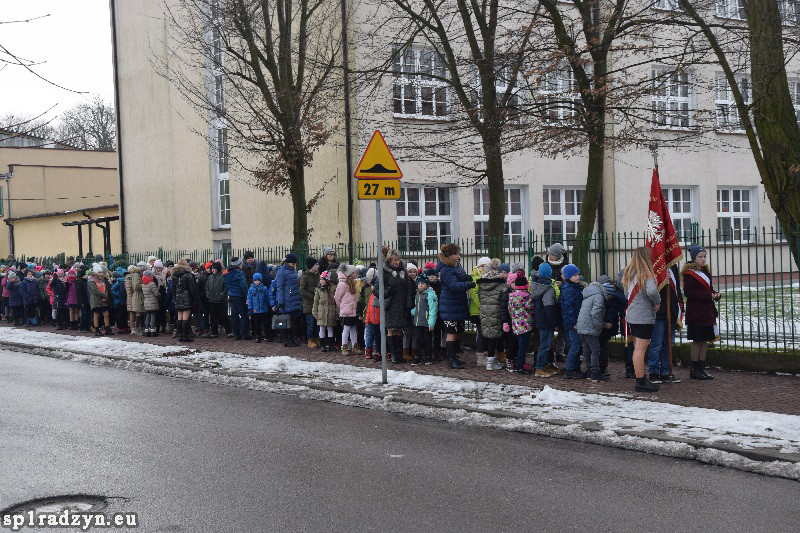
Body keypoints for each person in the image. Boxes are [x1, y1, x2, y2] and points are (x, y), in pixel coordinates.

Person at [622, 246, 662, 392]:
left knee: (637, 348)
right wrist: (657, 301)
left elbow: (627, 292)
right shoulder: (647, 275)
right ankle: (640, 381)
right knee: (640, 348)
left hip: (632, 314)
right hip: (644, 315)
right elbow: (652, 291)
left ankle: (640, 378)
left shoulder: (629, 273)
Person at [682, 245, 720, 380]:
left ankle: (702, 368)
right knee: (697, 340)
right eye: (700, 257)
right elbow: (689, 292)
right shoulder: (689, 274)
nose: (703, 259)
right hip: (696, 312)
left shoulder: (705, 272)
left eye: (704, 256)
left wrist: (715, 294)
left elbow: (709, 289)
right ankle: (694, 369)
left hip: (707, 312)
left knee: (705, 341)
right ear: (693, 258)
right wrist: (708, 295)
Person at [436, 243, 475, 369]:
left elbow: (460, 278)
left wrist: (467, 278)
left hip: (458, 304)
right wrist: (468, 285)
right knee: (451, 333)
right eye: (456, 253)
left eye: (458, 253)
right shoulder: (446, 269)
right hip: (450, 305)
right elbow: (453, 286)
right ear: (449, 255)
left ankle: (455, 356)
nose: (458, 255)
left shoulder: (457, 266)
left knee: (458, 332)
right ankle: (451, 358)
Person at [648, 264, 683, 384]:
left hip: (671, 310)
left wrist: (680, 306)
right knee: (656, 343)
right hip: (659, 311)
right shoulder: (655, 264)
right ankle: (653, 371)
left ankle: (665, 371)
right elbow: (650, 289)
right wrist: (662, 278)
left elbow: (677, 288)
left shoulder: (673, 266)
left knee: (668, 344)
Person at [576, 279, 611, 382]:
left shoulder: (588, 295)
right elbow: (596, 313)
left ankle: (589, 372)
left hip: (581, 325)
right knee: (595, 349)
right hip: (590, 326)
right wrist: (600, 325)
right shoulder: (598, 296)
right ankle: (595, 373)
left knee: (587, 350)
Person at [531, 263, 560, 377]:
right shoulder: (548, 288)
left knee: (544, 344)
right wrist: (554, 322)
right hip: (546, 321)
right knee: (545, 345)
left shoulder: (537, 285)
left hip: (540, 319)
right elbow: (549, 307)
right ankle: (539, 368)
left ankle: (544, 365)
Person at [382, 249, 412, 364]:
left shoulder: (403, 272)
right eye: (395, 260)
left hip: (401, 304)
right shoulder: (385, 272)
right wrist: (388, 292)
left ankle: (399, 354)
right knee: (391, 329)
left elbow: (408, 288)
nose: (397, 262)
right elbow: (377, 290)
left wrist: (408, 303)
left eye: (398, 259)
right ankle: (393, 354)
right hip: (390, 304)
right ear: (390, 260)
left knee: (399, 330)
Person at [477, 259, 506, 371]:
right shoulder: (500, 283)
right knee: (494, 338)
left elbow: (480, 298)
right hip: (496, 312)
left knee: (489, 337)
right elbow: (503, 298)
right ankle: (491, 362)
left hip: (484, 313)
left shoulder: (481, 284)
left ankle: (490, 361)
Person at [559, 263, 585, 379]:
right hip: (572, 323)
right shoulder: (569, 290)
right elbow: (568, 309)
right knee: (575, 346)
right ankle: (570, 369)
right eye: (575, 275)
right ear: (569, 276)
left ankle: (574, 367)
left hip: (574, 322)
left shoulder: (574, 287)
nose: (578, 277)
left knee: (575, 346)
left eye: (578, 274)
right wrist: (574, 323)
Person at [506, 274, 534, 374]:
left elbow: (509, 310)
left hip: (516, 325)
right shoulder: (527, 297)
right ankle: (521, 365)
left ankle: (520, 363)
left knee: (519, 346)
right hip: (525, 325)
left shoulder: (511, 297)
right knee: (523, 347)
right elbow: (531, 309)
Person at [275, 253, 302, 346]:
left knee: (293, 322)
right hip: (286, 301)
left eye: (295, 264)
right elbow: (280, 288)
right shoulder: (281, 272)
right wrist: (281, 302)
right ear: (288, 263)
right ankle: (286, 340)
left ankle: (292, 339)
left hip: (294, 300)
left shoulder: (294, 271)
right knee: (286, 321)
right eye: (292, 264)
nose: (294, 266)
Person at [410, 275, 438, 366]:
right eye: (419, 283)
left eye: (422, 283)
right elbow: (416, 306)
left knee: (427, 340)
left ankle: (428, 356)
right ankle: (417, 357)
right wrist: (412, 312)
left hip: (426, 322)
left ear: (427, 285)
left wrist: (431, 323)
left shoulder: (430, 294)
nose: (420, 285)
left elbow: (433, 309)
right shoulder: (417, 294)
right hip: (418, 321)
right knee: (418, 340)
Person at [335, 264, 361, 355]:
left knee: (353, 329)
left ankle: (355, 346)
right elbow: (337, 297)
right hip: (346, 311)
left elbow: (357, 296)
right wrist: (342, 306)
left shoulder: (353, 283)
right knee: (346, 329)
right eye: (354, 272)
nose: (356, 274)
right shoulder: (342, 284)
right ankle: (344, 347)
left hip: (353, 310)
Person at [224, 257, 250, 341]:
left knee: (234, 316)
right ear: (239, 265)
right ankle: (245, 334)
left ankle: (236, 335)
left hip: (231, 296)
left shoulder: (227, 273)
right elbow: (243, 286)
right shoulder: (239, 273)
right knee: (244, 315)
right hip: (239, 296)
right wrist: (247, 296)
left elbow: (226, 285)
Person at [312, 270, 338, 352]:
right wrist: (315, 313)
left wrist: (337, 313)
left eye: (322, 279)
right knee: (322, 328)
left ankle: (330, 345)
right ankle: (322, 345)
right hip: (321, 312)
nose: (321, 281)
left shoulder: (333, 288)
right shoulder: (318, 289)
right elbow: (315, 302)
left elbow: (336, 301)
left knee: (330, 328)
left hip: (331, 311)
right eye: (320, 279)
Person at [299, 257, 320, 348]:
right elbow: (302, 290)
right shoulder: (305, 276)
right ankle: (310, 340)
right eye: (316, 264)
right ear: (312, 266)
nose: (318, 266)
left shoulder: (318, 275)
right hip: (309, 304)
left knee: (317, 324)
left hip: (317, 304)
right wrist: (313, 297)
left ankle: (317, 339)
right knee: (310, 324)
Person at [88, 264, 114, 336]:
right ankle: (96, 329)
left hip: (103, 300)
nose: (101, 273)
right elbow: (95, 291)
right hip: (96, 300)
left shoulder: (102, 280)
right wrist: (104, 295)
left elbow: (105, 288)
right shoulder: (91, 281)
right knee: (96, 314)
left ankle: (107, 329)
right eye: (99, 272)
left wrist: (105, 294)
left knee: (106, 314)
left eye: (101, 272)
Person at [205, 261, 227, 338]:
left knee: (224, 316)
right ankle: (214, 331)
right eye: (212, 268)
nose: (213, 270)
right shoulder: (210, 277)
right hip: (212, 300)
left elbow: (225, 288)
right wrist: (208, 295)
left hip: (221, 300)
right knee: (213, 317)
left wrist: (221, 295)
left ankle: (228, 330)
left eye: (214, 268)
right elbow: (207, 287)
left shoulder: (223, 277)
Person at [247, 272, 270, 342]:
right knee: (257, 325)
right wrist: (250, 308)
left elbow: (267, 297)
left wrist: (269, 305)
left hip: (263, 309)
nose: (257, 281)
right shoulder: (251, 289)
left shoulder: (264, 288)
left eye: (258, 280)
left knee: (265, 323)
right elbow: (249, 299)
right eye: (255, 280)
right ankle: (258, 336)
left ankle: (267, 335)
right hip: (255, 310)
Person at [141, 269, 161, 337]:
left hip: (146, 302)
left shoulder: (143, 284)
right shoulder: (152, 284)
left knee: (147, 316)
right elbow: (157, 294)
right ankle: (153, 331)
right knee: (153, 316)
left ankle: (146, 330)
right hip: (153, 302)